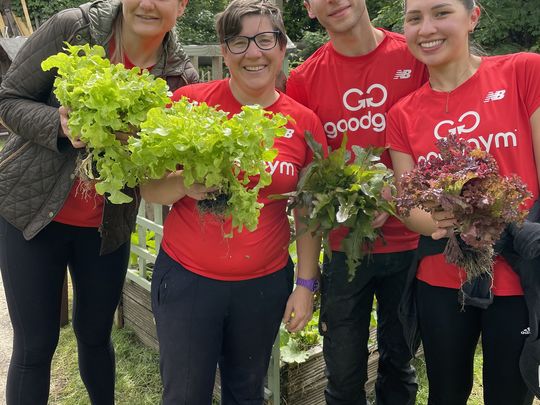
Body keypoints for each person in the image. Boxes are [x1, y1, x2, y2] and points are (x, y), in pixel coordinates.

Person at [0, 0, 198, 403]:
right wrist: (57, 123)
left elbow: (164, 166)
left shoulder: (180, 76)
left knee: (95, 336)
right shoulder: (73, 28)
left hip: (106, 227)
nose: (147, 3)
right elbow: (8, 99)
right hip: (31, 213)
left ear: (182, 5)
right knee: (35, 345)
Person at [139, 1, 327, 403]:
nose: (253, 53)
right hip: (189, 281)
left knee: (246, 393)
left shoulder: (303, 122)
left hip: (262, 286)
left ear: (281, 46)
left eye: (264, 39)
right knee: (185, 394)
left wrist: (306, 285)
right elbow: (148, 188)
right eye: (238, 42)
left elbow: (308, 211)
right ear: (224, 52)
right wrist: (184, 184)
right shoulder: (190, 103)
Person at [386, 0, 540, 403]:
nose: (426, 28)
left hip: (518, 276)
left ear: (473, 17)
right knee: (445, 393)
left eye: (441, 13)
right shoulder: (402, 114)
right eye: (414, 18)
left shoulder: (523, 72)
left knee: (510, 394)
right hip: (443, 276)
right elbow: (410, 206)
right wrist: (444, 219)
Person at [285, 1, 426, 403]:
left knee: (399, 366)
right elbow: (307, 183)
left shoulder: (413, 56)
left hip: (411, 245)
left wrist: (399, 194)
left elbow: (437, 133)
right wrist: (306, 281)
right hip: (344, 249)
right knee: (343, 376)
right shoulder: (303, 80)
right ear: (309, 9)